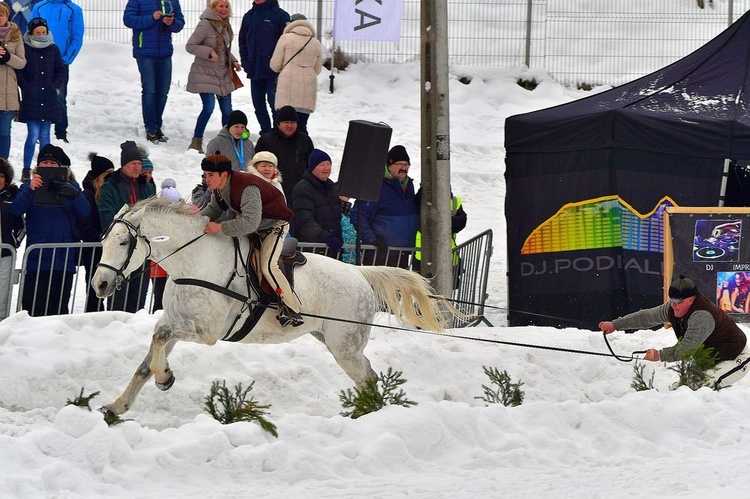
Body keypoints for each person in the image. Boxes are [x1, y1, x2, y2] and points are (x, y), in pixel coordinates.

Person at [199, 152, 302, 327]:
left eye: (210, 175)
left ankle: (292, 309)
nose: (206, 179)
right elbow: (214, 210)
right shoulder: (220, 188)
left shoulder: (247, 187)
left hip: (274, 226)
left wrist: (220, 227)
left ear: (223, 175)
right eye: (205, 174)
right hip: (254, 226)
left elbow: (250, 223)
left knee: (268, 266)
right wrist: (195, 222)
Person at [599, 275, 750, 389]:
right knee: (682, 390)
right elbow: (647, 317)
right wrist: (615, 324)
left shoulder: (702, 316)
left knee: (703, 386)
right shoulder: (673, 307)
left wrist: (660, 355)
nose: (674, 306)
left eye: (678, 302)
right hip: (709, 358)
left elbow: (686, 348)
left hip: (736, 356)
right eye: (672, 300)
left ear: (691, 299)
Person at [10, 143, 90, 316]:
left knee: (59, 308)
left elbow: (86, 212)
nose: (48, 166)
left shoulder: (72, 187)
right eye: (44, 163)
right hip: (36, 259)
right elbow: (16, 210)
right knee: (31, 308)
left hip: (64, 259)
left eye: (52, 163)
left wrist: (75, 194)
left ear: (61, 167)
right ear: (38, 167)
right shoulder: (28, 187)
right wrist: (30, 191)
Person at [98, 140, 156, 312]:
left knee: (138, 300)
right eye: (133, 163)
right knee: (118, 300)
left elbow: (152, 215)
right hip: (120, 252)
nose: (137, 167)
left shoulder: (147, 186)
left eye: (139, 163)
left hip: (141, 251)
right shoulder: (111, 187)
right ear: (124, 165)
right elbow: (106, 215)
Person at [124, 0, 185, 144]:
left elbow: (180, 23)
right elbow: (129, 20)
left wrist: (171, 22)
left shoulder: (171, 1)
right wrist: (151, 17)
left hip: (165, 53)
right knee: (150, 91)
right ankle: (150, 128)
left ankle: (157, 126)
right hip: (145, 53)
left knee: (163, 92)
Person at [349, 145, 419, 267]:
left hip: (402, 254)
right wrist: (373, 239)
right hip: (379, 256)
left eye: (406, 165)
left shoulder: (408, 185)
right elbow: (358, 215)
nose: (403, 168)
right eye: (399, 164)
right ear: (389, 165)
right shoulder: (376, 185)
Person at [185, 0, 241, 154]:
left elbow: (223, 49)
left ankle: (228, 142)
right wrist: (208, 52)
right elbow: (190, 46)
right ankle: (196, 142)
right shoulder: (205, 24)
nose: (224, 9)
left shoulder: (225, 25)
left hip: (223, 74)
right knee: (208, 107)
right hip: (205, 73)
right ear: (213, 8)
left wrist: (234, 60)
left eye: (226, 6)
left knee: (227, 111)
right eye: (220, 6)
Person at [17, 16, 66, 178]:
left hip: (49, 98)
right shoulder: (25, 48)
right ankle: (26, 168)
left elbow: (60, 70)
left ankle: (45, 169)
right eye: (37, 33)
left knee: (45, 135)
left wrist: (55, 86)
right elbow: (20, 71)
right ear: (31, 33)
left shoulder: (53, 49)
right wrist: (27, 87)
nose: (41, 35)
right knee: (33, 134)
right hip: (32, 99)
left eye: (43, 32)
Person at [29, 0, 83, 143]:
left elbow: (77, 37)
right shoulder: (39, 7)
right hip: (38, 60)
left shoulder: (73, 9)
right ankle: (39, 133)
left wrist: (66, 59)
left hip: (60, 61)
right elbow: (30, 32)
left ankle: (60, 133)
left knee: (58, 96)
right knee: (38, 96)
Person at [238, 0, 289, 135]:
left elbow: (287, 44)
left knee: (275, 106)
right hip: (254, 70)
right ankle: (266, 135)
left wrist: (279, 65)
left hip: (274, 73)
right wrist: (246, 62)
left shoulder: (281, 15)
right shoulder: (249, 16)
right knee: (258, 106)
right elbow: (242, 41)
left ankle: (278, 136)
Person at [269, 13, 322, 134]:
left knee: (283, 126)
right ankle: (304, 151)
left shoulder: (285, 38)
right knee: (301, 126)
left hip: (287, 88)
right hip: (308, 86)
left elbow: (275, 65)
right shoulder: (315, 42)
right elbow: (317, 69)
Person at [78, 152, 114, 313]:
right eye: (108, 174)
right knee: (94, 286)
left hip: (107, 246)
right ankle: (93, 315)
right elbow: (84, 223)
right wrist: (101, 238)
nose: (112, 177)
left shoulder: (110, 191)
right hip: (93, 247)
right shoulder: (87, 194)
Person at [291, 149, 343, 259]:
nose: (326, 168)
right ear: (312, 167)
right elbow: (304, 221)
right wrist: (325, 237)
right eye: (322, 165)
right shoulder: (303, 189)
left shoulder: (332, 187)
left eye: (328, 164)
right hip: (313, 251)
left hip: (332, 250)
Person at [255, 105, 313, 201]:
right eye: (286, 122)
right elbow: (256, 168)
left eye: (292, 122)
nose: (289, 126)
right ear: (278, 124)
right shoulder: (265, 140)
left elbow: (312, 167)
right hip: (273, 192)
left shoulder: (304, 140)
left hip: (301, 193)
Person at [413, 189, 467, 288]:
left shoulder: (455, 202)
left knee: (446, 289)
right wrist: (445, 223)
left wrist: (438, 223)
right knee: (424, 289)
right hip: (423, 255)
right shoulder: (419, 200)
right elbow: (419, 223)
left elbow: (461, 222)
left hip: (449, 254)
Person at [0, 3, 26, 162]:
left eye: (1, 15)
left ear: (7, 16)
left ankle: (3, 166)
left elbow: (22, 63)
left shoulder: (16, 34)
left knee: (4, 132)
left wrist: (7, 57)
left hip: (8, 94)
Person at [150, 177, 180, 312]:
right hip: (159, 266)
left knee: (173, 298)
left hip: (172, 267)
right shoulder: (156, 217)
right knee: (160, 298)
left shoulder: (181, 217)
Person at [0, 158, 24, 319]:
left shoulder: (11, 198)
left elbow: (22, 226)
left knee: (2, 298)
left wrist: (13, 242)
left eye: (1, 175)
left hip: (5, 255)